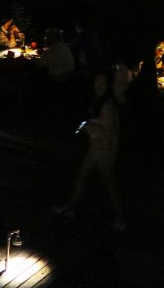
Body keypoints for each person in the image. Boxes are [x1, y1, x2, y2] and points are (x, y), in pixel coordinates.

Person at [54, 73, 126, 231]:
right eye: (97, 81)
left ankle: (121, 219)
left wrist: (89, 128)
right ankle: (71, 208)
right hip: (96, 147)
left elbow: (109, 131)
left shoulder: (107, 105)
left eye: (103, 83)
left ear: (108, 86)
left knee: (110, 184)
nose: (99, 86)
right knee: (82, 175)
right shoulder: (98, 100)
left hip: (104, 150)